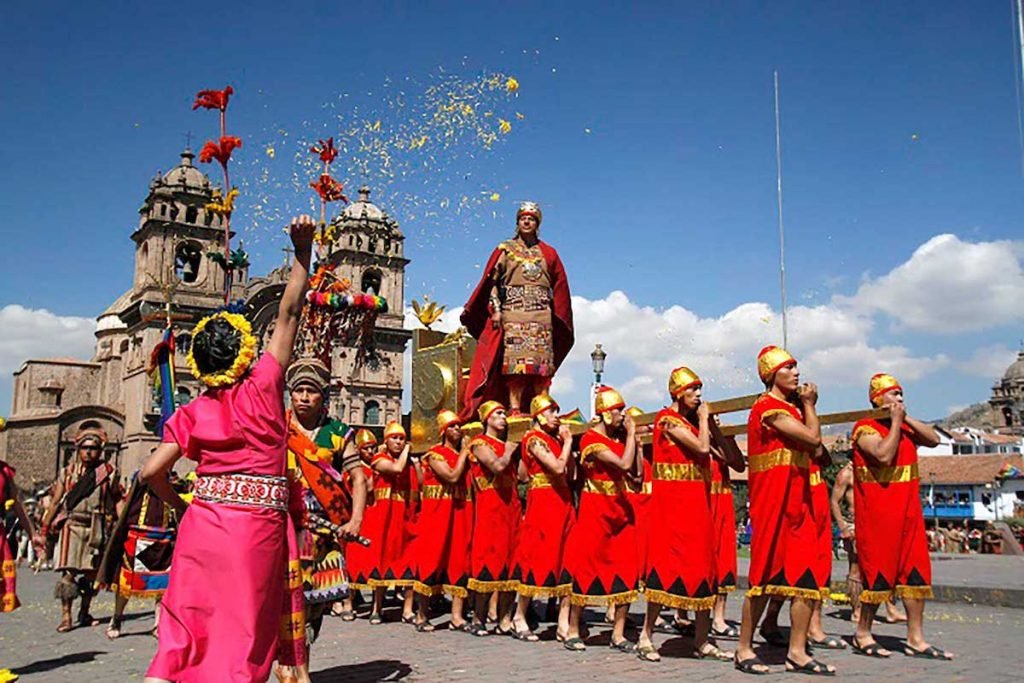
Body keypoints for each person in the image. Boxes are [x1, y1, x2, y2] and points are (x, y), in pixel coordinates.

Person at [140, 215, 315, 683]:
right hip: (253, 529)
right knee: (242, 629)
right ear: (244, 352)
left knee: (188, 620)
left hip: (203, 523)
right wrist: (302, 250)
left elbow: (149, 473)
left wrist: (181, 505)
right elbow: (290, 313)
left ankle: (163, 675)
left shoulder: (196, 409)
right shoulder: (263, 384)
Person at [735, 346, 835, 676]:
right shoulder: (767, 408)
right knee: (765, 576)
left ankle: (797, 650)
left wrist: (805, 411)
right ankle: (744, 648)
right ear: (771, 375)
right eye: (788, 368)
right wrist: (809, 406)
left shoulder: (790, 410)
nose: (796, 373)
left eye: (796, 367)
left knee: (804, 577)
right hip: (774, 504)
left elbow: (818, 447)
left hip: (800, 502)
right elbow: (811, 437)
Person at [849, 373, 953, 660]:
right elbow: (882, 455)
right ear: (877, 399)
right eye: (893, 394)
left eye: (901, 395)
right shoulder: (864, 428)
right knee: (877, 573)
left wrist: (904, 420)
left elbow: (933, 439)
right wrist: (895, 423)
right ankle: (863, 632)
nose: (899, 399)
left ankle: (916, 637)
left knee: (915, 571)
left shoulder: (906, 429)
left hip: (908, 512)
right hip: (879, 515)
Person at [276, 356, 363, 683]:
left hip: (322, 532)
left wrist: (355, 520)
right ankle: (286, 665)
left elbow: (358, 478)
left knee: (311, 608)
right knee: (278, 601)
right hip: (280, 529)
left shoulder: (338, 433)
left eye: (311, 391)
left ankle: (301, 669)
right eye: (298, 389)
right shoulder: (275, 425)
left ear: (322, 396)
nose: (303, 397)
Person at [637, 367, 731, 663]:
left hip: (698, 508)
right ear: (678, 393)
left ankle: (702, 640)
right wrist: (704, 421)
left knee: (705, 567)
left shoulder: (691, 425)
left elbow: (731, 460)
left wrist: (712, 426)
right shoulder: (667, 420)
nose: (699, 395)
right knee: (664, 569)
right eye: (694, 389)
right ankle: (645, 636)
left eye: (700, 389)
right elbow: (703, 449)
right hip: (673, 510)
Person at [460, 201, 574, 418]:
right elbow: (491, 283)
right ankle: (514, 408)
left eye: (531, 218)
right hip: (513, 314)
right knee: (516, 367)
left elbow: (559, 286)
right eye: (523, 218)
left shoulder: (549, 253)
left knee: (542, 368)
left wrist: (558, 315)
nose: (527, 221)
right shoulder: (505, 250)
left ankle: (542, 407)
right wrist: (495, 310)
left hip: (541, 316)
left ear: (537, 223)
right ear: (517, 222)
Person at [560, 386, 639, 653]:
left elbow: (635, 473)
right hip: (596, 512)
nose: (622, 415)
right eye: (618, 411)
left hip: (621, 510)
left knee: (626, 568)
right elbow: (624, 465)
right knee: (586, 569)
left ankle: (617, 633)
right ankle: (572, 629)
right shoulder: (590, 441)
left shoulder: (618, 442)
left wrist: (633, 442)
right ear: (606, 414)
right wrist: (631, 435)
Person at [38, 424, 122, 633]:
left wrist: (123, 525)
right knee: (68, 574)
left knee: (91, 574)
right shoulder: (67, 474)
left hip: (97, 527)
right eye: (84, 448)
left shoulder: (109, 474)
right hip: (72, 526)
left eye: (92, 448)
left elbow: (117, 498)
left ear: (100, 450)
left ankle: (85, 612)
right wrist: (44, 528)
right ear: (78, 449)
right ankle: (66, 616)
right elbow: (57, 501)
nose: (88, 452)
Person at [509, 394, 575, 641]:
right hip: (545, 502)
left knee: (567, 557)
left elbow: (569, 473)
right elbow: (556, 468)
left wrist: (566, 446)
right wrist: (568, 443)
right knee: (538, 556)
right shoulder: (533, 439)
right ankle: (519, 616)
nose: (556, 416)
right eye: (552, 411)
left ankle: (563, 622)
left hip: (563, 501)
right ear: (538, 415)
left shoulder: (553, 439)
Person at [96, 470, 183, 639]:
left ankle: (158, 623)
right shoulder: (142, 480)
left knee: (163, 585)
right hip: (138, 539)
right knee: (126, 583)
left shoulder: (173, 486)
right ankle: (117, 618)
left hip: (164, 539)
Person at [412, 410, 471, 631]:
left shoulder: (462, 455)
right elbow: (452, 476)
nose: (458, 430)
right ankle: (421, 614)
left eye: (459, 426)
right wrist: (466, 452)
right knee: (432, 558)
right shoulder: (434, 454)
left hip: (459, 511)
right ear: (444, 431)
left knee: (458, 558)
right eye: (453, 426)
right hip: (437, 513)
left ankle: (456, 616)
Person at [466, 401, 521, 635]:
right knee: (488, 559)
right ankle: (478, 617)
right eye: (498, 414)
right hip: (490, 508)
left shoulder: (507, 445)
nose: (503, 418)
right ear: (487, 418)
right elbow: (497, 466)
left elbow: (523, 476)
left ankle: (505, 618)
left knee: (512, 560)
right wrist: (509, 449)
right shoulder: (479, 443)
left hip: (512, 506)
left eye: (503, 414)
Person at [366, 422, 419, 625]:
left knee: (409, 560)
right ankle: (376, 608)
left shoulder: (408, 462)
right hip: (385, 518)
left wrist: (415, 464)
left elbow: (421, 483)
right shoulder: (379, 459)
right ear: (386, 441)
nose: (399, 442)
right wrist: (407, 452)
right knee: (382, 559)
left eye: (402, 438)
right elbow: (396, 469)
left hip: (405, 516)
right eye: (395, 438)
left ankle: (407, 609)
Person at [337, 429, 377, 618]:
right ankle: (347, 603)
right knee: (350, 561)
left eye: (373, 448)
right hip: (352, 517)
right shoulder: (354, 471)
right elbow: (366, 486)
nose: (371, 452)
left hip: (370, 518)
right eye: (367, 448)